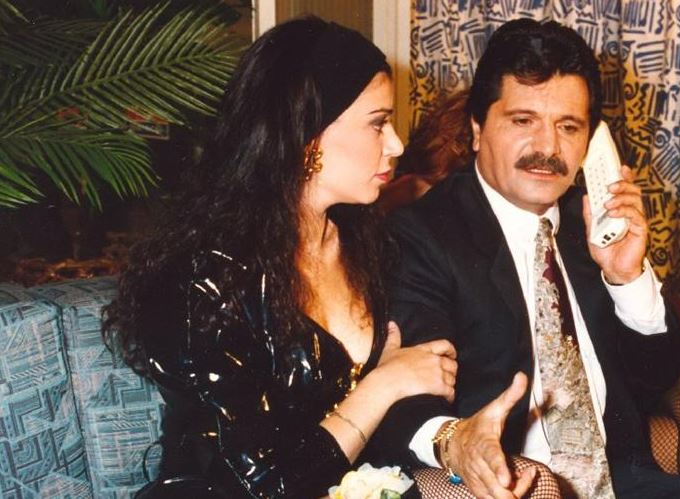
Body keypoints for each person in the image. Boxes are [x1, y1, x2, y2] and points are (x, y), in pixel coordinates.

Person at [102, 17, 561, 499]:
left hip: (348, 485)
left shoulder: (368, 244)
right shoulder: (204, 279)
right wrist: (382, 385)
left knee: (533, 485)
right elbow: (258, 482)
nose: (396, 145)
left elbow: (399, 409)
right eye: (378, 123)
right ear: (308, 134)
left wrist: (454, 440)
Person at [378, 55, 680, 499]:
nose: (547, 147)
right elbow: (413, 397)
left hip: (619, 472)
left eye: (569, 127)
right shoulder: (423, 234)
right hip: (523, 480)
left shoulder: (590, 222)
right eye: (523, 121)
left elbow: (658, 378)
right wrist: (455, 440)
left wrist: (627, 276)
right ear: (478, 129)